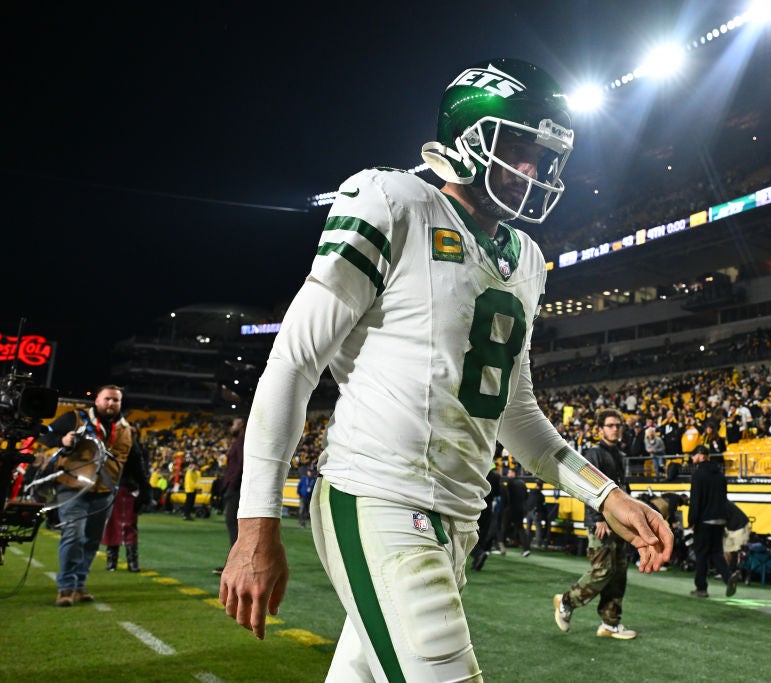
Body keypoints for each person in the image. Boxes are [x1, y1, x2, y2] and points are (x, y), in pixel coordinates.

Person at [219, 58, 672, 682]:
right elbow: (294, 360)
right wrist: (255, 524)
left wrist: (605, 493)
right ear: (469, 134)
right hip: (377, 495)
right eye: (519, 148)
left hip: (458, 517)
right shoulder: (392, 199)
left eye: (544, 158)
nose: (532, 171)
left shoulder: (529, 259)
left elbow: (514, 411)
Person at [38, 385, 138, 607]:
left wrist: (142, 488)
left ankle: (79, 584)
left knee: (92, 540)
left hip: (104, 491)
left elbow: (132, 461)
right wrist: (62, 441)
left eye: (115, 400)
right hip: (72, 488)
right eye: (107, 399)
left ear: (120, 403)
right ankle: (66, 587)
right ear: (97, 400)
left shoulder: (125, 429)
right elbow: (44, 436)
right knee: (73, 535)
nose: (111, 404)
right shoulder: (75, 418)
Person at [554, 409, 641, 640]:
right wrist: (598, 518)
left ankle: (610, 624)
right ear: (600, 429)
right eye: (610, 425)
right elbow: (588, 487)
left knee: (619, 574)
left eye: (618, 425)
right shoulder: (593, 453)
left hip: (620, 525)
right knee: (602, 571)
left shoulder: (620, 455)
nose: (615, 429)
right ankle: (566, 600)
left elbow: (623, 492)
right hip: (601, 523)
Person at [687, 445, 741, 598]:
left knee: (702, 554)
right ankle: (727, 576)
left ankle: (701, 588)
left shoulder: (698, 474)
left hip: (704, 520)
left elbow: (696, 501)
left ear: (700, 455)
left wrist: (692, 521)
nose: (692, 459)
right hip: (720, 519)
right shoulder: (720, 475)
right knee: (716, 552)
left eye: (694, 455)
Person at [102, 425, 150, 572]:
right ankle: (113, 562)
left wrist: (144, 492)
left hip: (128, 490)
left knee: (129, 525)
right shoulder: (112, 450)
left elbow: (141, 474)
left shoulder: (137, 453)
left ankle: (130, 562)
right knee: (111, 526)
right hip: (114, 489)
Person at [214, 417, 245, 575]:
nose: (231, 427)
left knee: (233, 524)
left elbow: (240, 465)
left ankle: (235, 565)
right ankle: (236, 564)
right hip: (235, 488)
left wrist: (231, 486)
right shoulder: (241, 441)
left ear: (241, 425)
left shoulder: (242, 442)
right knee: (234, 525)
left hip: (236, 489)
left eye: (234, 423)